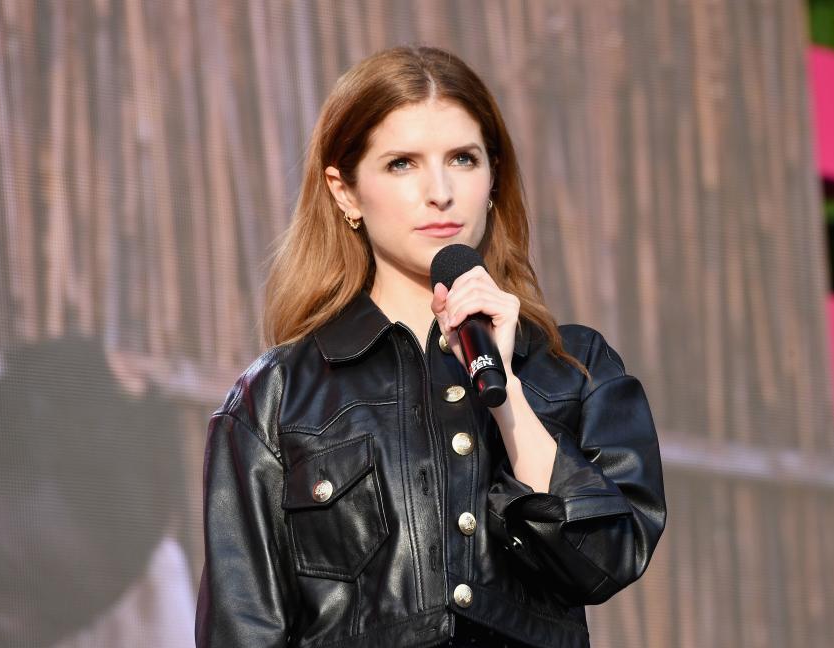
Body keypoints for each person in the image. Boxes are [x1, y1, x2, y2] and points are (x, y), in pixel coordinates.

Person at [195, 45, 666, 648]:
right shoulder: (278, 398)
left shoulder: (572, 366)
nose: (439, 191)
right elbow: (242, 629)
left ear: (493, 177)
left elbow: (609, 556)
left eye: (463, 159)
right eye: (402, 164)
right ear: (344, 191)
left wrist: (508, 398)